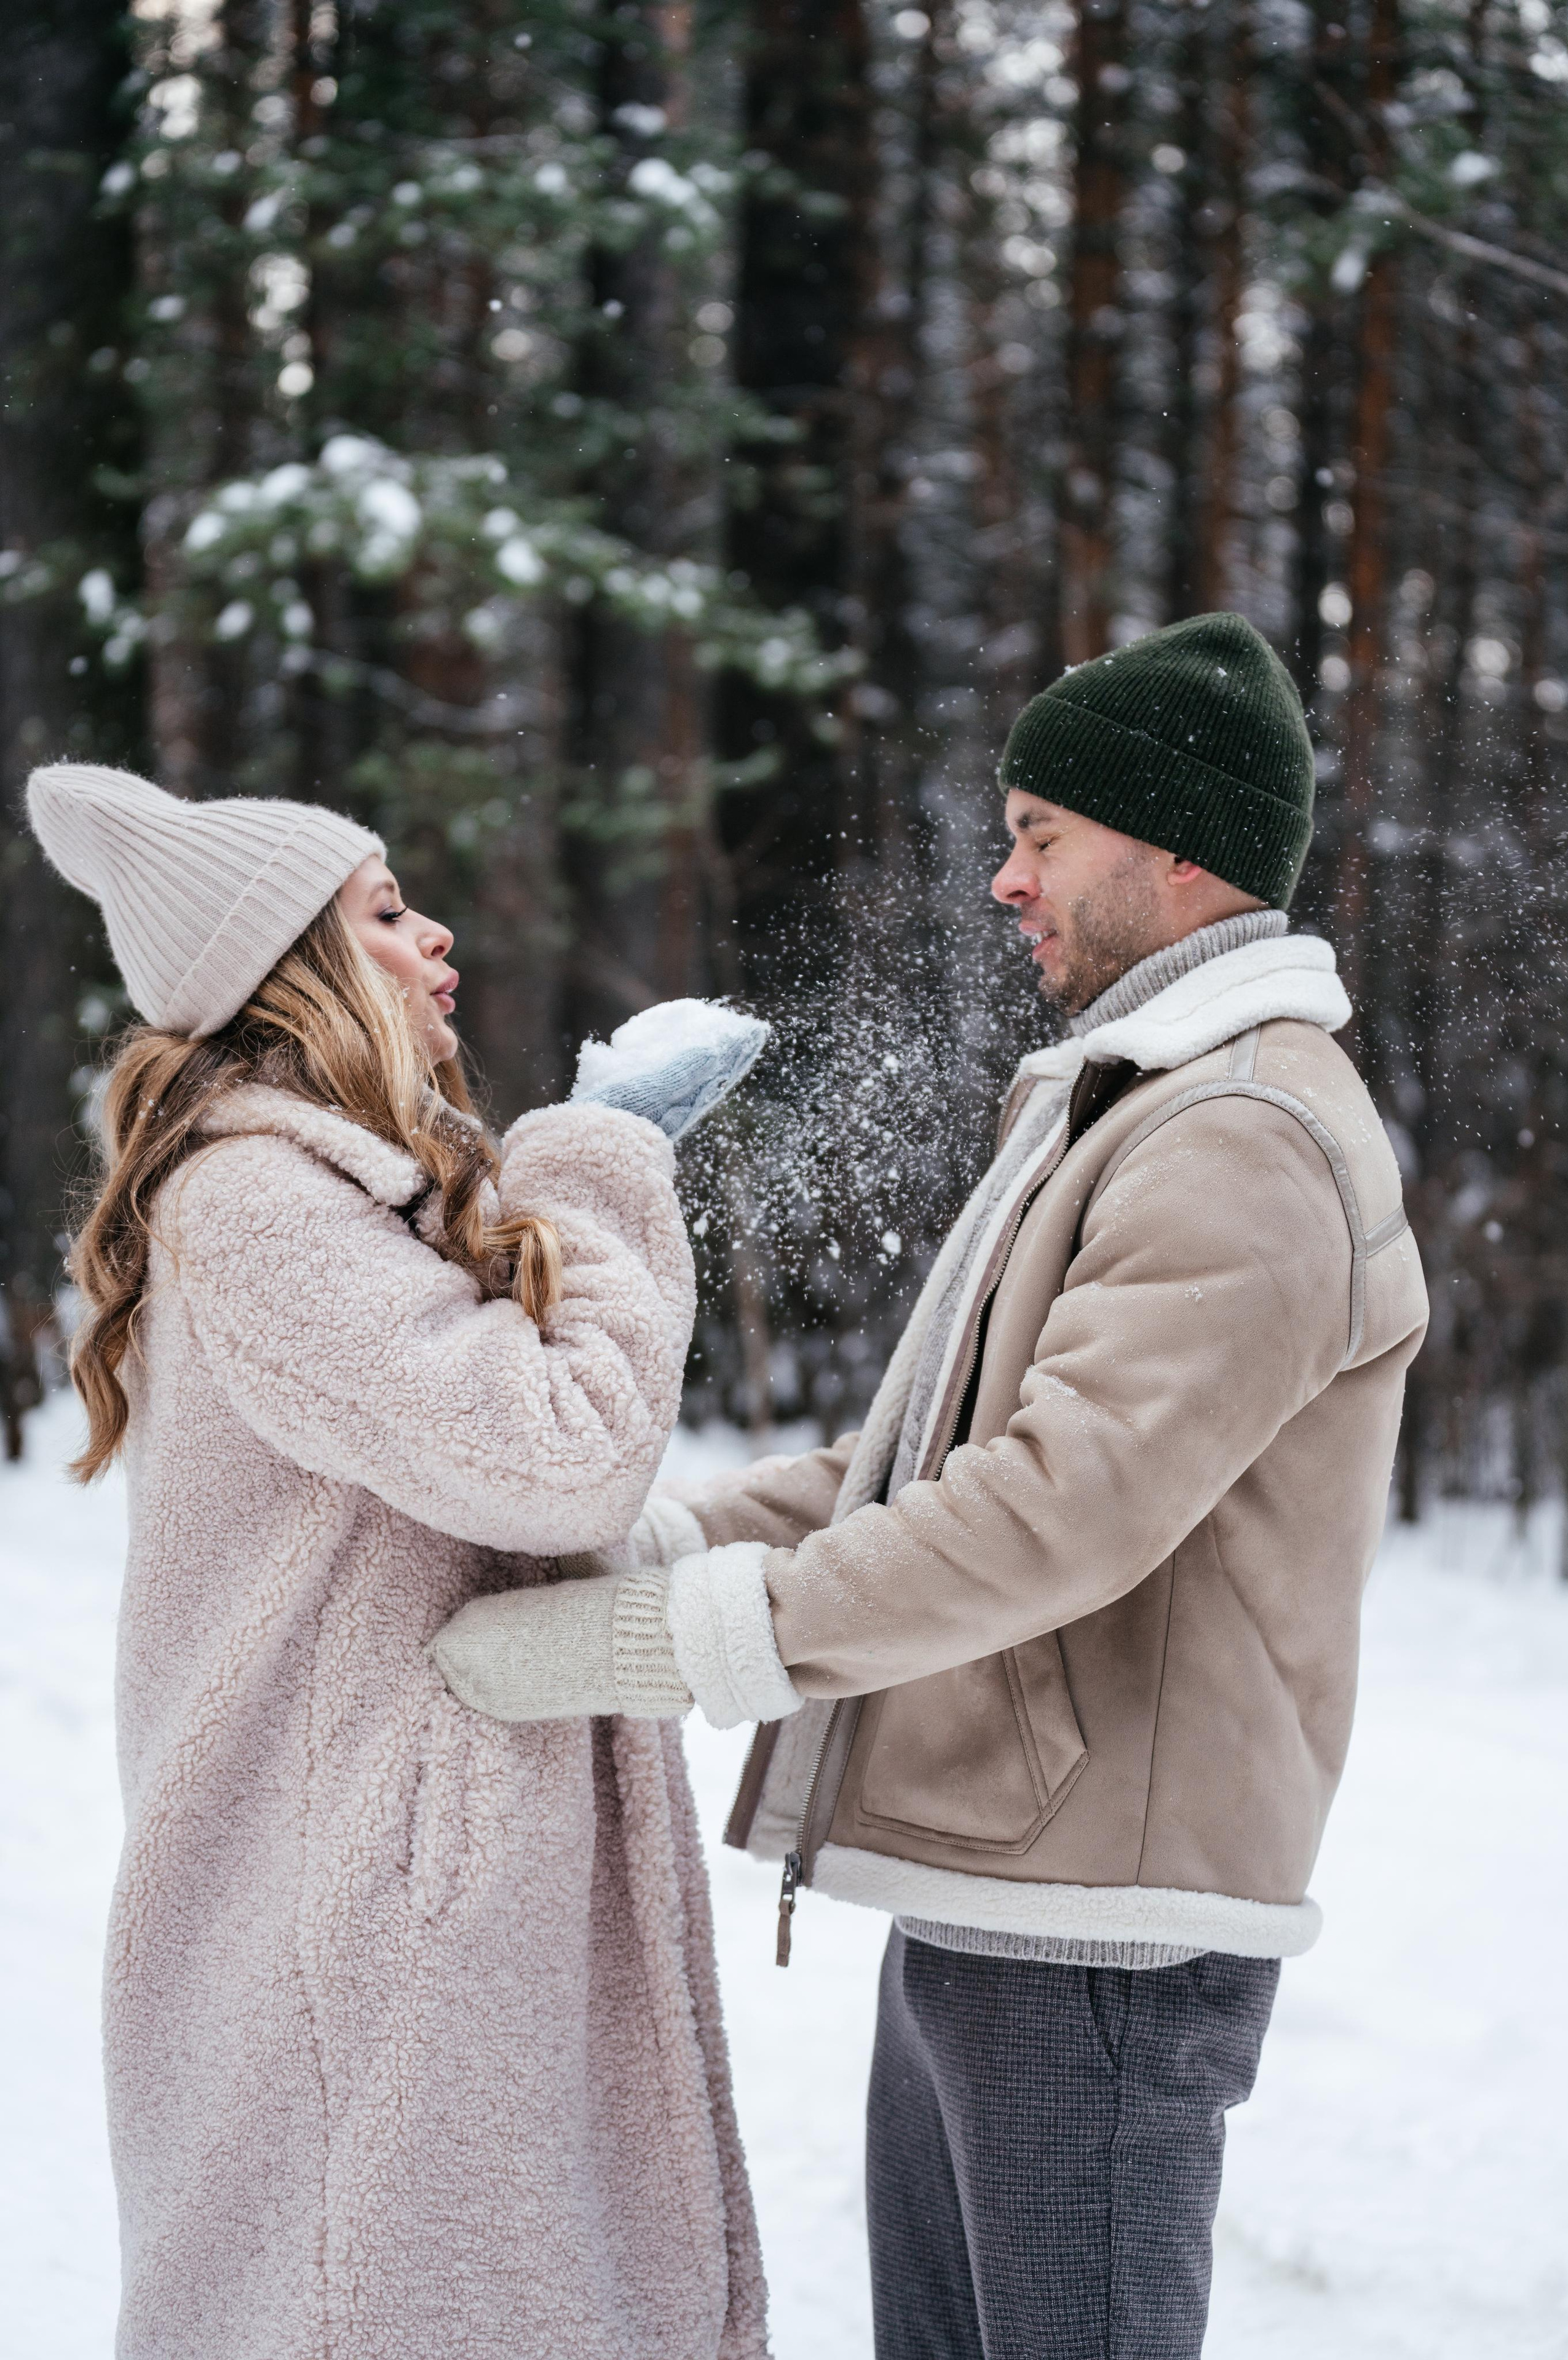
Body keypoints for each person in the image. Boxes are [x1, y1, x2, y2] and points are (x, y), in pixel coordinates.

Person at [432, 611, 1432, 2360]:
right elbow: (918, 1465)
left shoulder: (1243, 1136)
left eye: (1043, 833)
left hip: (1100, 1931)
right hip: (1011, 1888)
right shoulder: (1125, 1103)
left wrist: (668, 1645)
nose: (1004, 878)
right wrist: (646, 1548)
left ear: (1177, 848)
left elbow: (1050, 1516)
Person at [26, 762, 769, 2360]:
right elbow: (559, 1453)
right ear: (292, 967)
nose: (433, 937)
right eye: (383, 912)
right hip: (369, 1939)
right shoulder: (256, 1204)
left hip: (415, 1902)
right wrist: (600, 1161)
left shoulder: (341, 1194)